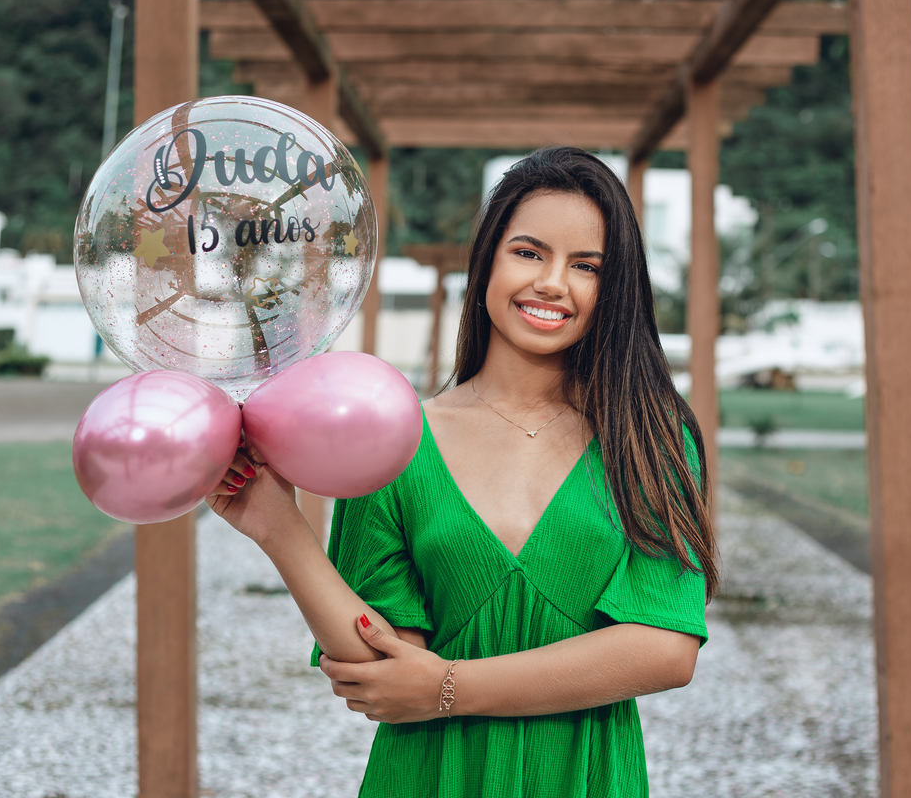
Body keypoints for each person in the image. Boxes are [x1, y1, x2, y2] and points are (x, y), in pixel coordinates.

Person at [208, 145, 718, 796]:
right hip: (424, 776)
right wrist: (278, 528)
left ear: (612, 288)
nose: (552, 283)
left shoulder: (650, 437)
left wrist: (448, 688)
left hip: (585, 777)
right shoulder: (395, 437)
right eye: (528, 252)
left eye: (586, 266)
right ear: (487, 263)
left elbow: (664, 649)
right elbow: (380, 667)